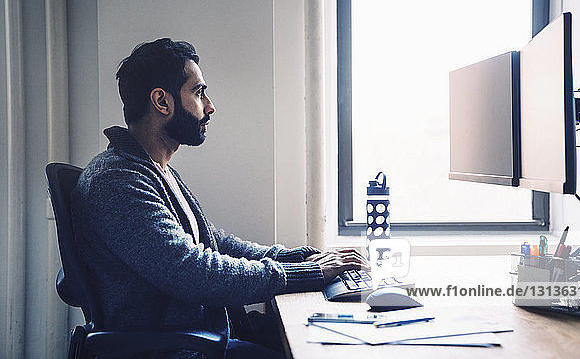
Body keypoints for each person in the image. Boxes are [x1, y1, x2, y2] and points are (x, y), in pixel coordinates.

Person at [71, 38, 367, 359]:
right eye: (198, 93)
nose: (209, 106)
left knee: (336, 339)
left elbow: (216, 244)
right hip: (183, 350)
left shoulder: (154, 170)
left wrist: (298, 259)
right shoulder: (118, 180)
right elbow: (193, 272)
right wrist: (302, 275)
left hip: (205, 338)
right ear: (162, 101)